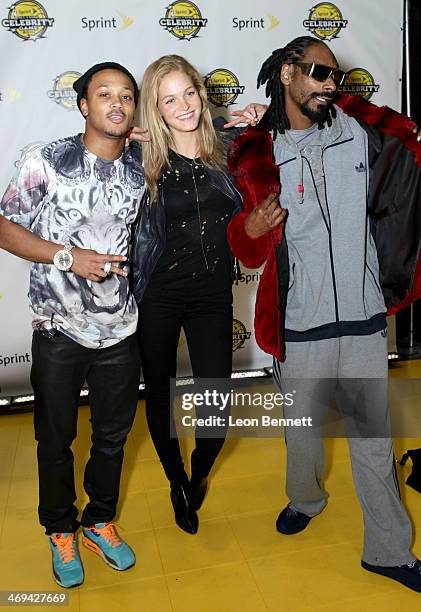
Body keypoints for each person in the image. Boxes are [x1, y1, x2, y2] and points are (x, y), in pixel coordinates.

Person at [227, 36, 421, 592]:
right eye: (316, 72)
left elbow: (407, 149)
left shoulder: (362, 135)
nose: (328, 84)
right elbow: (245, 246)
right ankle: (306, 498)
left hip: (362, 316)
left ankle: (387, 550)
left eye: (334, 76)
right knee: (304, 435)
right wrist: (251, 232)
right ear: (286, 74)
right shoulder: (256, 150)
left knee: (373, 441)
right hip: (299, 321)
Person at [0, 62, 145, 588]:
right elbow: (4, 226)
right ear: (83, 104)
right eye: (104, 93)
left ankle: (99, 521)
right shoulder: (46, 161)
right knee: (55, 440)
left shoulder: (140, 164)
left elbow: (199, 138)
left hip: (121, 328)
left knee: (112, 438)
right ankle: (60, 528)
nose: (116, 102)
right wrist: (67, 257)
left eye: (127, 96)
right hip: (58, 327)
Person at [130, 55, 244, 535]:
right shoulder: (141, 157)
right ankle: (175, 480)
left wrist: (261, 109)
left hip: (212, 295)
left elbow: (298, 112)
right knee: (160, 394)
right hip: (158, 293)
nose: (183, 106)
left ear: (201, 91)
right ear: (155, 108)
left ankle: (199, 470)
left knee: (215, 405)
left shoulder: (231, 147)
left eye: (188, 93)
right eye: (168, 99)